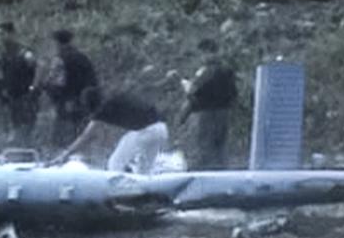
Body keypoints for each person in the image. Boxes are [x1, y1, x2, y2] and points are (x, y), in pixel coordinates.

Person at [51, 86, 168, 174]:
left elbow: (86, 136)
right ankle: (146, 191)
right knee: (144, 169)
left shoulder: (103, 109)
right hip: (162, 129)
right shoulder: (114, 98)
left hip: (145, 131)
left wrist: (64, 155)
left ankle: (115, 193)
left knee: (115, 164)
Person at [178, 38, 237, 170]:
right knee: (220, 148)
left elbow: (193, 91)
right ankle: (221, 172)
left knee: (204, 148)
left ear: (206, 53)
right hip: (224, 113)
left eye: (204, 53)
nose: (203, 57)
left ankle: (204, 174)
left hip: (205, 115)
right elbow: (234, 95)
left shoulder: (207, 71)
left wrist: (186, 86)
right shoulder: (227, 70)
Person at [41, 29, 98, 147]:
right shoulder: (83, 57)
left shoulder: (60, 59)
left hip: (66, 101)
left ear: (57, 43)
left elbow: (57, 82)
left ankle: (60, 158)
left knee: (62, 136)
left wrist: (44, 86)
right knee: (81, 133)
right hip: (85, 102)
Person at [0, 21, 38, 147]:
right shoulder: (2, 55)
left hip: (24, 98)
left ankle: (25, 156)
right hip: (10, 99)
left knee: (24, 131)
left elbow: (38, 71)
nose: (0, 38)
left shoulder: (24, 53)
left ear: (12, 34)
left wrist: (33, 90)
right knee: (13, 131)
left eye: (2, 34)